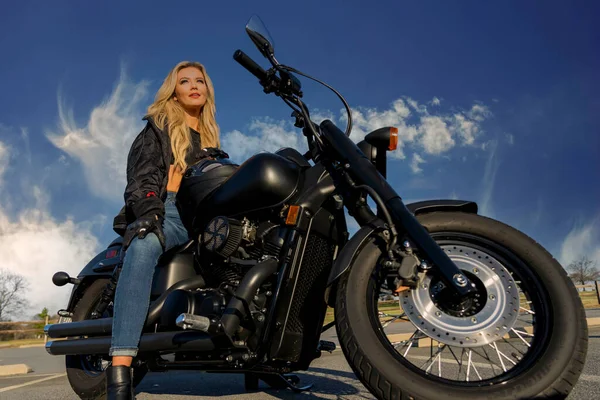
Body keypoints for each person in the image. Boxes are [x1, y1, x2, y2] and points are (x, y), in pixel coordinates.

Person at [106, 61, 222, 399]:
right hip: (169, 212)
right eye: (184, 81)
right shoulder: (158, 128)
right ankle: (120, 368)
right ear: (174, 90)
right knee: (144, 247)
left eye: (199, 80)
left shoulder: (210, 138)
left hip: (204, 219)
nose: (193, 85)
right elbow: (142, 178)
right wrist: (150, 210)